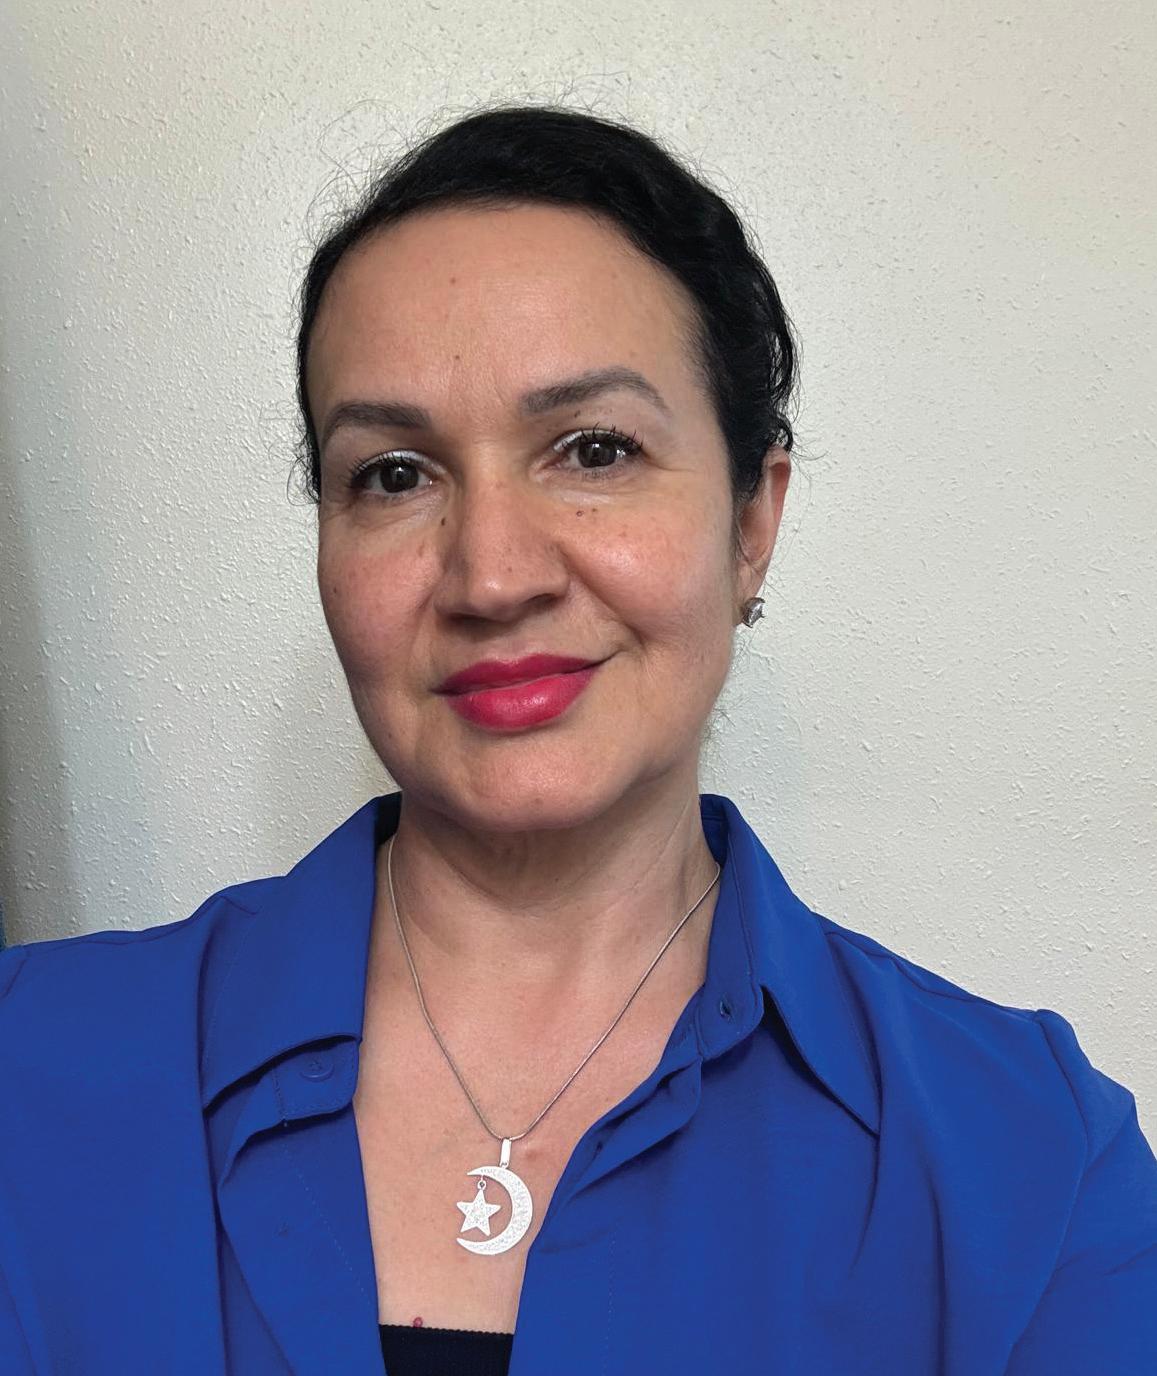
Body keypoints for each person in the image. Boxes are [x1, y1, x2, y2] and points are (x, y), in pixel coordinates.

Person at [1, 103, 1155, 1376]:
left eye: (592, 449)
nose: (491, 575)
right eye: (393, 473)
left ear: (751, 522)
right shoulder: (28, 1068)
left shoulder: (1030, 1166)